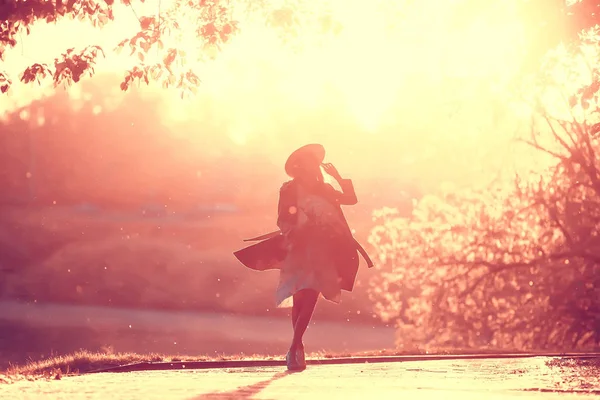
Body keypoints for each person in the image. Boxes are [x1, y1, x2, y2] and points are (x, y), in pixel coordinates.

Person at [233, 144, 372, 371]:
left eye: (315, 162)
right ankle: (297, 348)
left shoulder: (325, 188)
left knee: (311, 294)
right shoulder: (288, 189)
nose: (313, 165)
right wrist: (294, 231)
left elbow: (351, 199)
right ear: (300, 166)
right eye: (308, 161)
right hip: (297, 247)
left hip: (323, 249)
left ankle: (294, 346)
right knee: (299, 298)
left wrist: (337, 176)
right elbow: (282, 218)